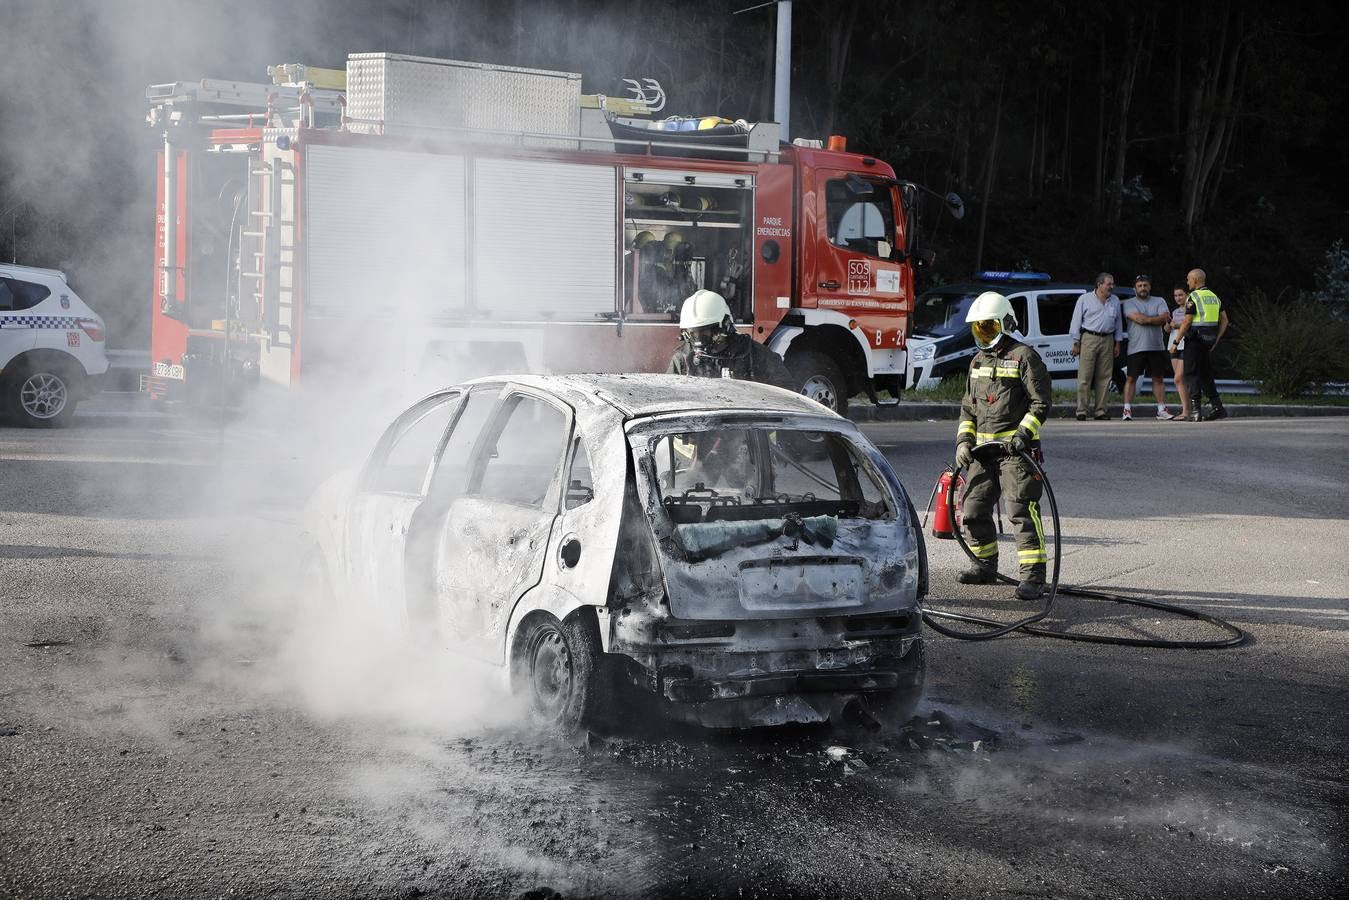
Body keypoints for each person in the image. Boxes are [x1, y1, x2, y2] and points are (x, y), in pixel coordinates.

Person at [953, 291, 1053, 601]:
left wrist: (1024, 434)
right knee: (972, 510)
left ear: (1005, 324)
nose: (983, 335)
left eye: (989, 328)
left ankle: (1033, 577)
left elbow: (1041, 403)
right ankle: (984, 565)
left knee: (1020, 511)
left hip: (1015, 453)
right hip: (983, 455)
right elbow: (968, 409)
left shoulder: (1025, 357)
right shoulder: (977, 362)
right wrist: (963, 442)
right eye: (979, 329)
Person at [668, 289, 793, 388]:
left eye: (704, 332)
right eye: (693, 333)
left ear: (726, 326)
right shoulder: (682, 359)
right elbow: (667, 397)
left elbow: (787, 393)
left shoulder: (754, 355)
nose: (698, 339)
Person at [1171, 268, 1229, 421]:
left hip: (1194, 340)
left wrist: (1176, 342)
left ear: (1195, 280)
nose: (1187, 282)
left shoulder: (1194, 297)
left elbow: (1187, 321)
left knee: (1191, 373)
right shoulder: (1214, 297)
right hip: (1208, 341)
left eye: (1189, 279)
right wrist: (1216, 340)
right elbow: (1225, 321)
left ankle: (1196, 411)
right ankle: (1217, 407)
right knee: (1205, 373)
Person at [1068, 272, 1124, 420]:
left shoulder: (1115, 300)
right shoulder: (1085, 299)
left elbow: (1118, 323)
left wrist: (1118, 343)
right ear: (1099, 284)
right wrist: (1076, 342)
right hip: (1089, 338)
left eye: (1112, 284)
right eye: (1109, 284)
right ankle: (1082, 411)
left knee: (1105, 377)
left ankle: (1100, 411)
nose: (1111, 286)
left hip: (1108, 339)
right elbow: (1075, 322)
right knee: (1085, 376)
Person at [1120, 275, 1174, 420]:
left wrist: (1148, 319)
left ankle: (1161, 410)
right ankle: (1127, 410)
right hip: (1136, 347)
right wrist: (1154, 319)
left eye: (1145, 285)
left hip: (1156, 346)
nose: (1143, 288)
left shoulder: (1160, 300)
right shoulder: (1129, 303)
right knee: (1131, 378)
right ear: (1135, 288)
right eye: (1140, 286)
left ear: (1150, 287)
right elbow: (1139, 319)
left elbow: (1165, 318)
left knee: (1158, 378)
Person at [1163, 285, 1193, 420]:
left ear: (1187, 294)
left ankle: (1186, 412)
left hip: (1185, 344)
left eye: (1181, 295)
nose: (1178, 298)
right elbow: (1170, 328)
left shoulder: (1191, 309)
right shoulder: (1174, 311)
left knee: (1179, 378)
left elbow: (1189, 326)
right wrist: (1168, 327)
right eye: (1175, 296)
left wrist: (1177, 326)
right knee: (1180, 380)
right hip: (1173, 345)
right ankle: (1186, 409)